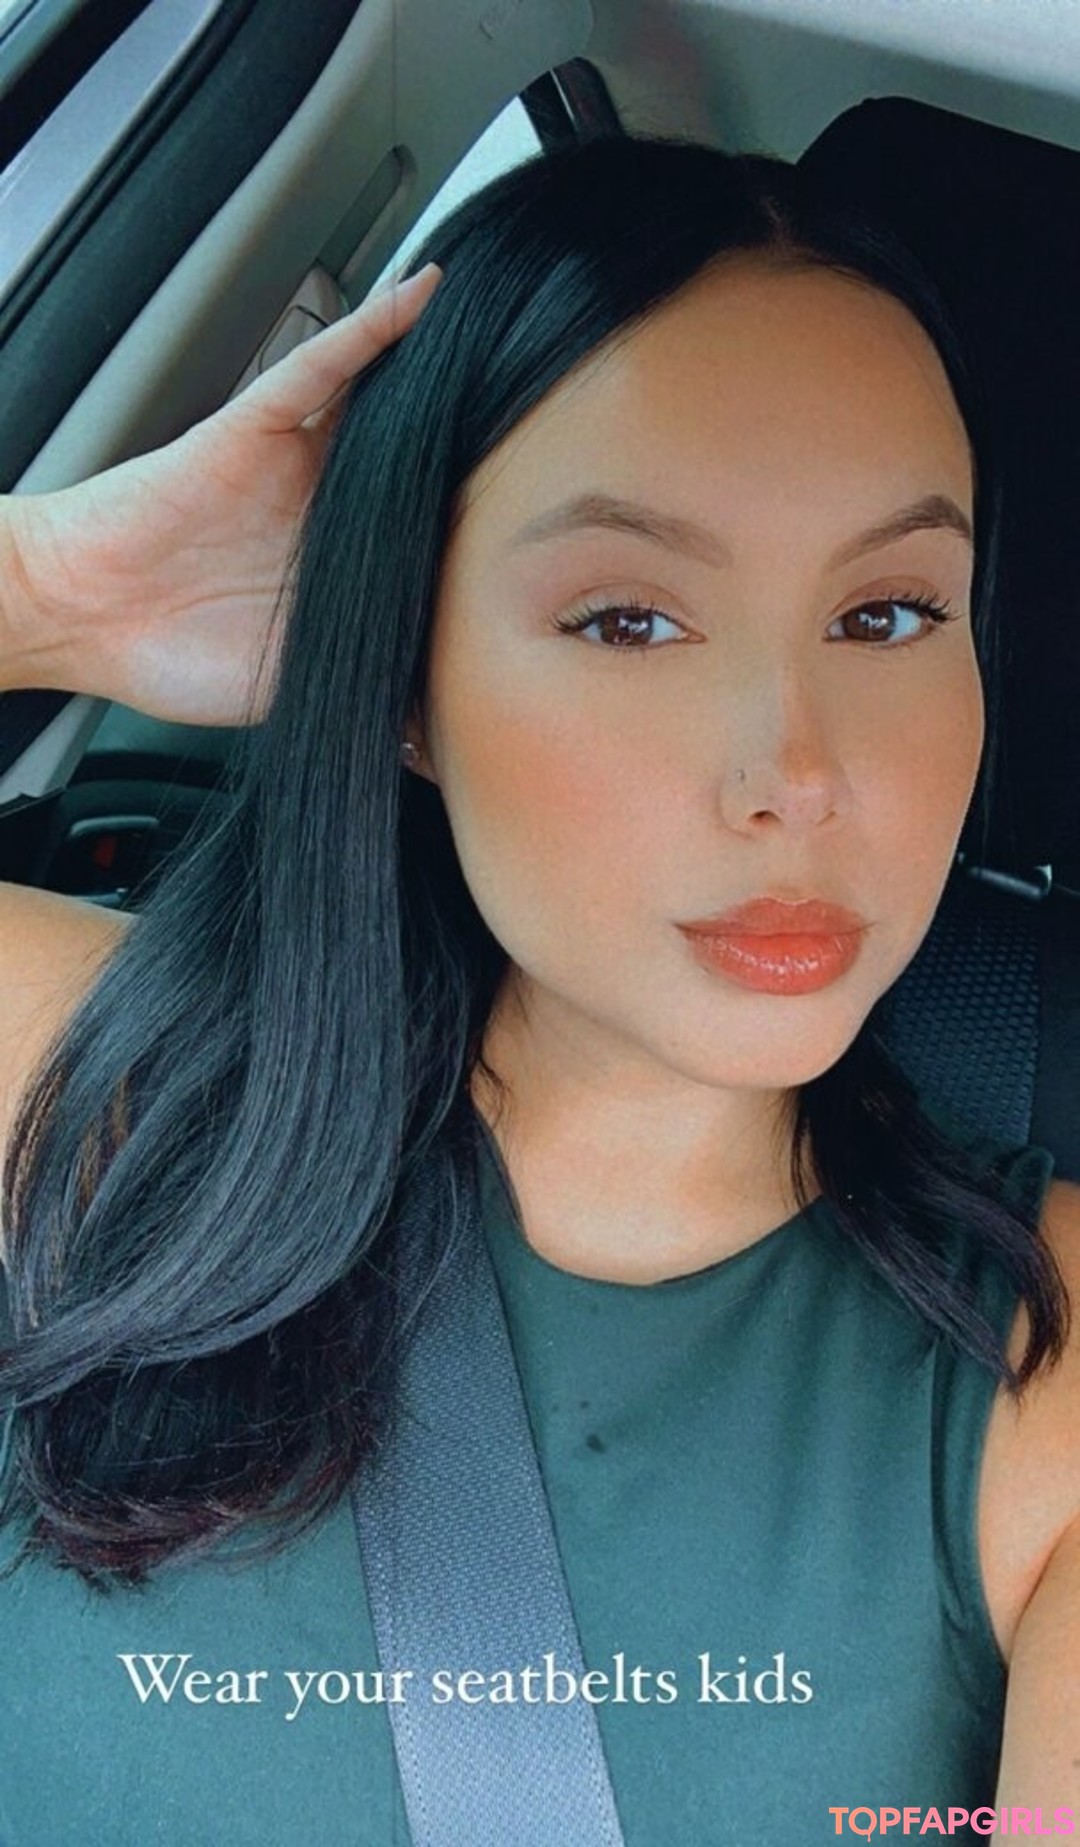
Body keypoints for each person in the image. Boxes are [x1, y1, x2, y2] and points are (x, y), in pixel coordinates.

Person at [0, 133, 1078, 1844]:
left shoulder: (1045, 1366)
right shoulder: (74, 1088)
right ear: (407, 681)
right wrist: (56, 592)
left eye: (886, 616)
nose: (798, 776)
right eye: (630, 620)